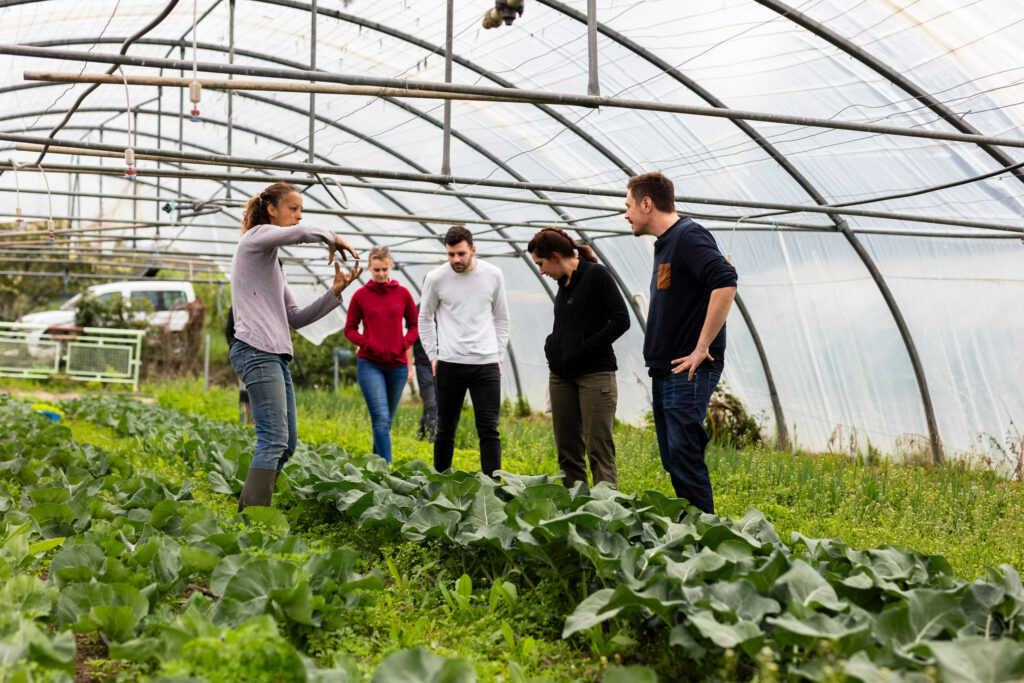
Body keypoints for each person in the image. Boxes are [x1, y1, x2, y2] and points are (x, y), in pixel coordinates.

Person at [230, 182, 361, 511]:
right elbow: (298, 236)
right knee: (273, 439)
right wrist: (331, 236)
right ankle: (253, 517)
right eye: (294, 209)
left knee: (287, 444)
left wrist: (334, 294)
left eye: (302, 210)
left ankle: (249, 505)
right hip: (255, 350)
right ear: (271, 209)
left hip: (274, 354)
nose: (299, 217)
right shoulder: (255, 238)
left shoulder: (273, 262)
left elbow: (296, 317)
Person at [625, 172, 737, 514]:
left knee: (684, 455)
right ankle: (691, 529)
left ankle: (705, 536)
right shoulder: (666, 243)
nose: (626, 214)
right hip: (666, 367)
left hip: (687, 368)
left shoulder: (689, 236)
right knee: (674, 456)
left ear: (647, 204)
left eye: (628, 205)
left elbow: (726, 280)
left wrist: (702, 348)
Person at [527, 227, 629, 489]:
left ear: (555, 256)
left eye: (540, 264)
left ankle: (606, 513)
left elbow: (621, 320)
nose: (540, 271)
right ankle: (576, 510)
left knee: (598, 448)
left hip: (595, 375)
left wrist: (586, 347)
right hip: (561, 377)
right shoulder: (564, 283)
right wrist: (553, 346)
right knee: (568, 451)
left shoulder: (596, 275)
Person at [418, 226, 510, 478]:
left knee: (489, 430)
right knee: (445, 429)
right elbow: (424, 318)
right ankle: (439, 482)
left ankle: (493, 487)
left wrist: (498, 355)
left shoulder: (493, 274)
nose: (455, 260)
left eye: (460, 254)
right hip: (449, 363)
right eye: (450, 254)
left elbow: (502, 318)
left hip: (486, 364)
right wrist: (433, 356)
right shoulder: (436, 278)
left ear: (473, 249)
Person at [344, 246, 418, 465]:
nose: (381, 274)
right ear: (369, 267)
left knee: (385, 422)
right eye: (376, 270)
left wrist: (403, 344)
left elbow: (414, 325)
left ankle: (375, 469)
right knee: (381, 418)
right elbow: (349, 329)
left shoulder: (403, 294)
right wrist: (368, 344)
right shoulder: (360, 296)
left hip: (398, 366)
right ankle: (386, 470)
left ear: (391, 266)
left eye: (384, 269)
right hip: (370, 364)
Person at [411, 336, 437, 441]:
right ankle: (433, 437)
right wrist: (409, 368)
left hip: (441, 365)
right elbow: (410, 343)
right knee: (431, 403)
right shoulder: (419, 321)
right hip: (423, 366)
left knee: (435, 403)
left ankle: (421, 434)